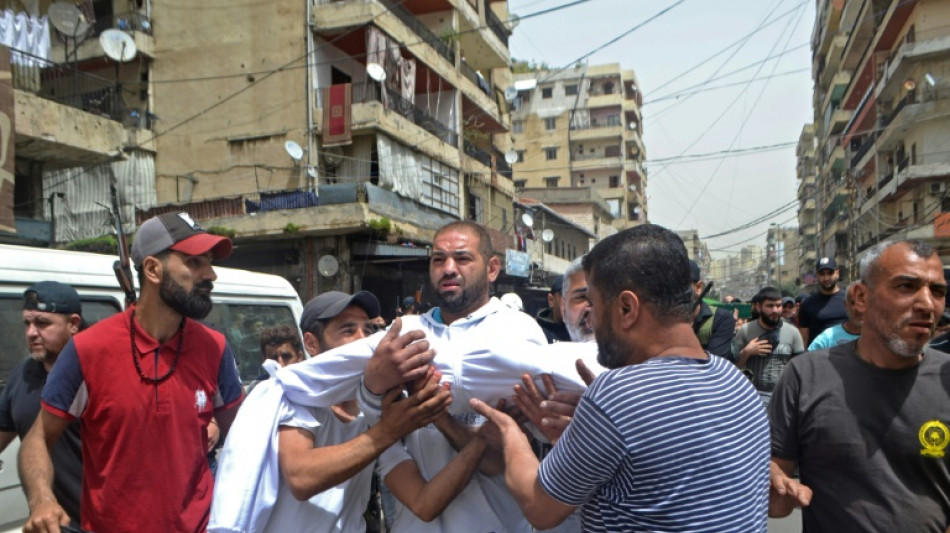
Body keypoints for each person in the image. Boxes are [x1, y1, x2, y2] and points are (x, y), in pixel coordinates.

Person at [267, 220, 590, 532]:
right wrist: (374, 383)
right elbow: (379, 418)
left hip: (497, 522)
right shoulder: (406, 332)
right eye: (438, 259)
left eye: (462, 258)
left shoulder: (516, 329)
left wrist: (441, 416)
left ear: (492, 268)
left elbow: (506, 450)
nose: (448, 268)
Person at [470, 224, 770, 531]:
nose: (591, 320)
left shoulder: (617, 395)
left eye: (594, 305)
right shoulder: (735, 382)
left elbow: (540, 507)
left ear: (627, 308)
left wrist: (510, 433)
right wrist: (585, 434)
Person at [19, 212, 244, 533]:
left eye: (209, 262)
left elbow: (245, 439)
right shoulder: (88, 349)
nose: (210, 274)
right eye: (194, 262)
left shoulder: (215, 348)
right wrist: (42, 500)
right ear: (152, 269)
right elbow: (38, 438)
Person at [212, 290, 484, 532]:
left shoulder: (372, 413)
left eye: (367, 330)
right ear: (312, 344)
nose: (363, 340)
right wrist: (388, 431)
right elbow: (301, 477)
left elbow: (423, 502)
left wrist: (482, 438)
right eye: (348, 330)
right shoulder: (296, 397)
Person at [770, 239, 950, 531]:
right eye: (906, 286)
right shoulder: (805, 376)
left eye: (938, 291)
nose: (927, 304)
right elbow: (776, 497)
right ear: (861, 297)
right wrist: (774, 481)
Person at [0, 282, 83, 527]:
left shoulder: (94, 373)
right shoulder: (23, 375)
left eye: (42, 323)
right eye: (27, 323)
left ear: (73, 324)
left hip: (101, 523)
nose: (31, 333)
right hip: (49, 523)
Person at [733, 286, 805, 404]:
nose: (775, 310)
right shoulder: (745, 331)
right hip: (752, 397)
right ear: (758, 307)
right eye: (770, 306)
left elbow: (800, 369)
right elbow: (733, 367)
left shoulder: (793, 332)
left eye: (778, 305)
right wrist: (747, 352)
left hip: (782, 397)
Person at [689, 260, 736, 359]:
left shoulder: (720, 318)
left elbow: (714, 363)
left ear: (698, 287)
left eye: (681, 287)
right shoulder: (660, 319)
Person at [797, 256, 847, 345]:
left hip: (847, 351)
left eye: (830, 273)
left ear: (837, 273)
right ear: (817, 275)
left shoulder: (849, 299)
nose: (826, 278)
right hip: (818, 352)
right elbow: (804, 338)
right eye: (822, 274)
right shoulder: (807, 304)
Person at [806, 282, 861, 351]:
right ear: (845, 305)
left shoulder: (874, 338)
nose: (859, 309)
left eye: (864, 302)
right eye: (853, 303)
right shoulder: (828, 338)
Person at [536, 276, 571, 343]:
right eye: (567, 296)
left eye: (580, 297)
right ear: (551, 300)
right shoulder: (537, 331)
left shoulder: (586, 332)